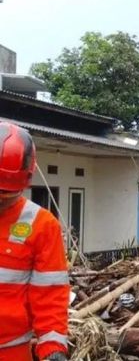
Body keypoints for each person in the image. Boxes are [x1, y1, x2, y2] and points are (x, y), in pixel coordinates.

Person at [0, 122, 69, 361]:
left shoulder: (42, 225)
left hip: (11, 352)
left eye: (5, 194)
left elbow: (49, 294)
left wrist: (52, 348)